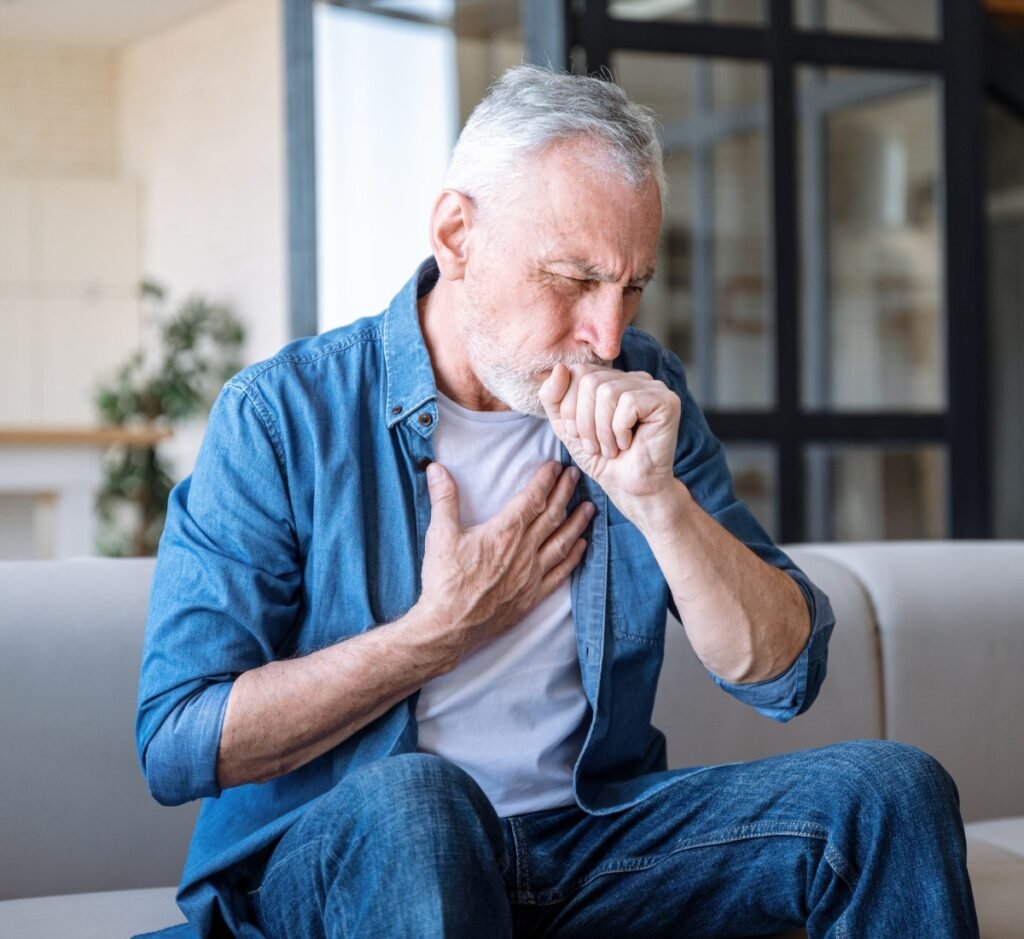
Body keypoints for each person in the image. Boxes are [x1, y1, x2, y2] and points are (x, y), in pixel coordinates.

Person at [136, 66, 978, 938]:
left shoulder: (643, 388)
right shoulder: (284, 414)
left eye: (633, 286)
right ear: (457, 235)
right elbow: (179, 739)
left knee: (890, 792)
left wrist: (659, 502)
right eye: (575, 279)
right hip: (359, 856)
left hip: (587, 844)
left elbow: (785, 674)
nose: (607, 335)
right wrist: (436, 633)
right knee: (420, 803)